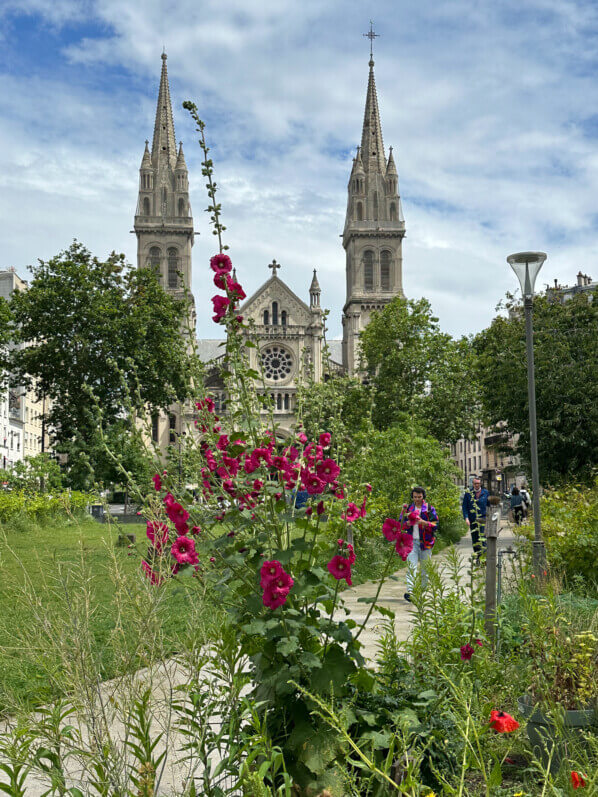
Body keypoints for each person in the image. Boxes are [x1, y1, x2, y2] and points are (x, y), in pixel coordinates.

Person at [399, 486, 438, 602]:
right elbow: (400, 524)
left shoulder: (430, 509)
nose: (417, 499)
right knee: (412, 567)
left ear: (423, 496)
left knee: (425, 569)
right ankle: (411, 592)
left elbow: (436, 525)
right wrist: (408, 524)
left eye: (419, 497)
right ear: (412, 497)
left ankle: (422, 592)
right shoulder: (407, 510)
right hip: (411, 542)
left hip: (426, 543)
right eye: (415, 497)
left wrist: (424, 523)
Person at [462, 476, 489, 561]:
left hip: (483, 519)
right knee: (475, 539)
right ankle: (478, 557)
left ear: (480, 483)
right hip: (472, 520)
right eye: (475, 483)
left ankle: (484, 558)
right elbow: (464, 507)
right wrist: (466, 518)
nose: (476, 485)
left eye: (478, 483)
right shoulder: (468, 493)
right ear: (473, 484)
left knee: (482, 538)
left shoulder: (485, 493)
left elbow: (489, 505)